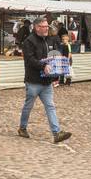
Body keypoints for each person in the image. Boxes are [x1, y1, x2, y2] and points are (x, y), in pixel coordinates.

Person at [18, 16, 71, 144]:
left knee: (50, 106)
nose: (47, 28)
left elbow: (53, 55)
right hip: (33, 81)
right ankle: (22, 128)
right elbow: (29, 60)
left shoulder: (50, 39)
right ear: (36, 27)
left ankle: (56, 133)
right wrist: (43, 65)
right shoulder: (29, 41)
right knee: (28, 106)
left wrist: (58, 68)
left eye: (47, 26)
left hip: (46, 81)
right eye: (44, 26)